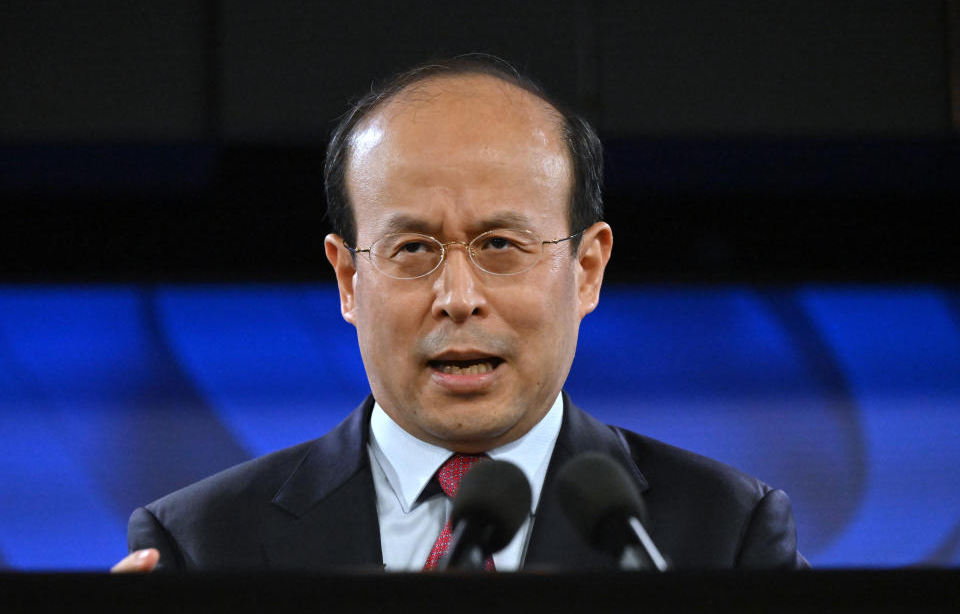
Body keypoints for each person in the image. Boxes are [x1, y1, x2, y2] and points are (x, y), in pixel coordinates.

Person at [112, 55, 806, 573]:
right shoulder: (201, 547)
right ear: (349, 278)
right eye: (412, 248)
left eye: (500, 244)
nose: (457, 296)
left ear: (587, 269)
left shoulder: (725, 534)